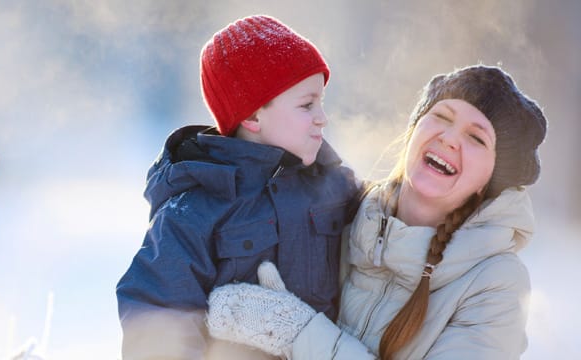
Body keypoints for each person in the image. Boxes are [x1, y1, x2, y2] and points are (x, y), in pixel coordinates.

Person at [206, 64, 548, 360]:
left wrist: (296, 332)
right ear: (414, 130)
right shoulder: (343, 212)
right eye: (441, 117)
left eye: (477, 138)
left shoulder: (495, 283)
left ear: (490, 180)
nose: (449, 138)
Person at [115, 15, 358, 360]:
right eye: (307, 104)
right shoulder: (196, 206)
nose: (322, 117)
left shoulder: (335, 187)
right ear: (253, 117)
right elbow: (159, 312)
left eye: (321, 102)